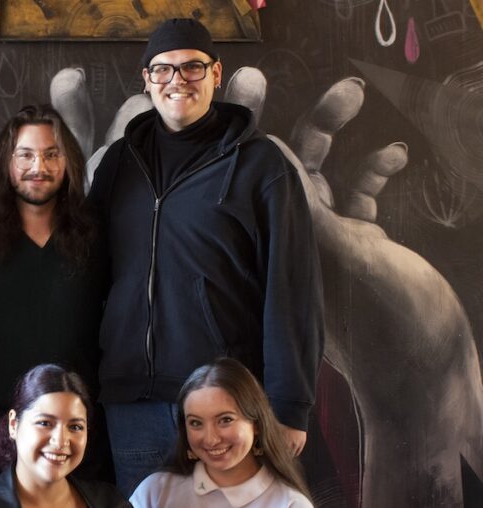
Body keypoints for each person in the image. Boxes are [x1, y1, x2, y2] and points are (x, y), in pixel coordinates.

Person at [88, 17, 324, 494]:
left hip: (226, 404)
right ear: (147, 79)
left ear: (217, 73)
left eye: (191, 68)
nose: (177, 81)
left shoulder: (262, 166)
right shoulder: (119, 164)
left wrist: (290, 405)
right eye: (163, 70)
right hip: (132, 401)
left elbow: (292, 289)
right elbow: (89, 277)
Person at [0, 104, 112, 484]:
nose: (40, 166)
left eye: (52, 154)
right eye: (26, 155)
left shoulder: (97, 235)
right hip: (2, 417)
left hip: (81, 420)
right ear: (7, 161)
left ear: (67, 161)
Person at [130, 358, 313, 507]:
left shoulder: (290, 504)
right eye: (195, 423)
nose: (211, 439)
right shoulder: (154, 492)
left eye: (225, 420)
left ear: (256, 423)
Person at [0, 364, 128, 508]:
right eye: (44, 423)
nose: (60, 441)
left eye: (75, 426)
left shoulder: (111, 502)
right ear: (13, 424)